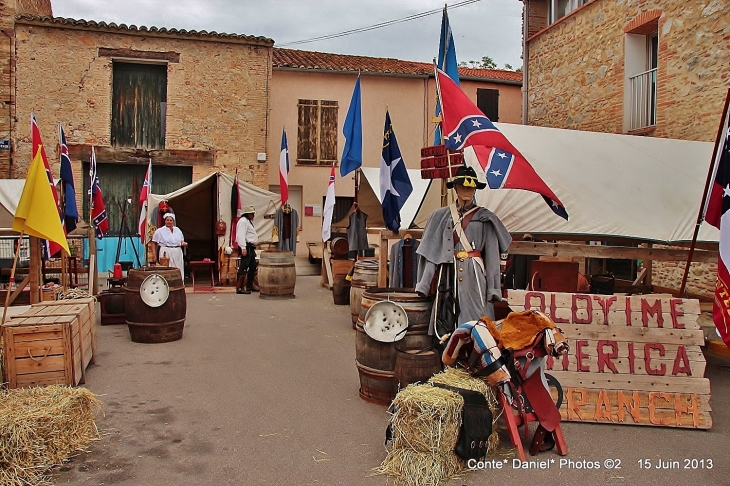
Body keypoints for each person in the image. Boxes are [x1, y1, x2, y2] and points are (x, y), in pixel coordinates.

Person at [415, 165, 512, 344]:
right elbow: (431, 253)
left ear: (475, 189)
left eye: (471, 187)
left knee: (477, 322)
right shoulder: (440, 216)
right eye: (463, 186)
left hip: (474, 277)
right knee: (446, 318)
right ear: (456, 188)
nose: (467, 190)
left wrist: (493, 288)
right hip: (447, 274)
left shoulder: (485, 218)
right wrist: (424, 283)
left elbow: (491, 256)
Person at [151, 213, 188, 278]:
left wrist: (183, 243)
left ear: (173, 221)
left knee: (178, 267)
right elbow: (153, 242)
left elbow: (181, 240)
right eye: (167, 220)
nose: (169, 222)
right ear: (165, 221)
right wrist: (154, 254)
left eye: (171, 220)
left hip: (177, 251)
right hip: (166, 251)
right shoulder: (160, 231)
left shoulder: (177, 230)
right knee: (167, 268)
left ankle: (179, 283)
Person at [235, 205, 258, 294]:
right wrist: (243, 247)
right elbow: (241, 235)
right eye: (251, 214)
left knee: (252, 266)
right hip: (246, 247)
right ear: (247, 214)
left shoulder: (248, 221)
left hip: (251, 247)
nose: (253, 215)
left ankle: (249, 285)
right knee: (244, 267)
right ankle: (239, 287)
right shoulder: (243, 221)